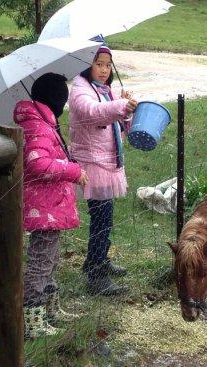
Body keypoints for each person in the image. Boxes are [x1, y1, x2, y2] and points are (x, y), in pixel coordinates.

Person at [13, 72, 89, 338]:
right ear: (56, 100)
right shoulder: (38, 126)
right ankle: (32, 320)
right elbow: (37, 164)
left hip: (50, 206)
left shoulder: (45, 123)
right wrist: (72, 170)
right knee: (40, 262)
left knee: (50, 258)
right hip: (42, 206)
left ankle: (51, 308)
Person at [68, 45, 137, 296]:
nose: (104, 70)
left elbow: (117, 125)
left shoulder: (104, 90)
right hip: (92, 165)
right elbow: (93, 113)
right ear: (88, 65)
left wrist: (125, 112)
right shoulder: (80, 90)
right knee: (100, 220)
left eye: (108, 65)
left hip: (107, 162)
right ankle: (96, 276)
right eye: (99, 64)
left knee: (105, 219)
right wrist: (120, 105)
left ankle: (98, 260)